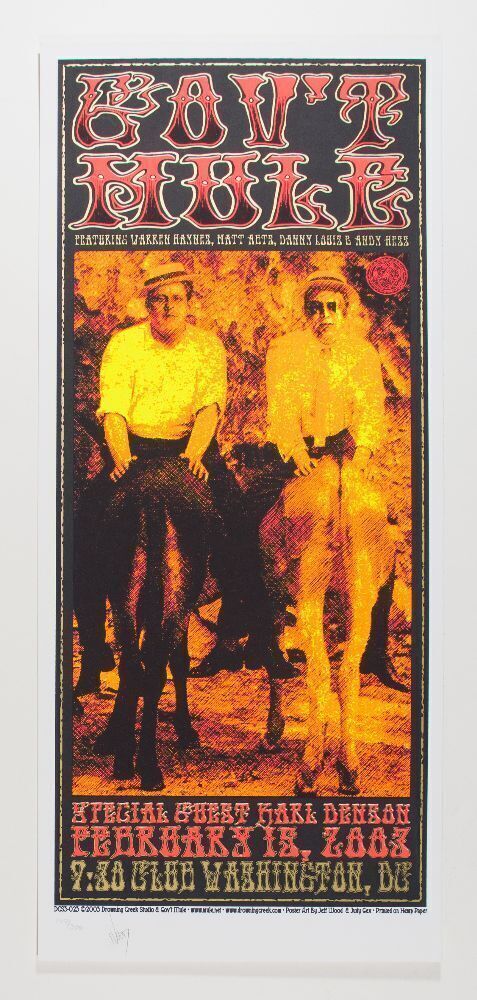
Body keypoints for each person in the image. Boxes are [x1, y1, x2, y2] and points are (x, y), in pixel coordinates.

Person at [74, 262, 297, 695]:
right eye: (159, 299)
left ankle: (257, 634)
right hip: (134, 449)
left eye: (177, 298)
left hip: (191, 447)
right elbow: (114, 408)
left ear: (189, 303)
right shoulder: (124, 344)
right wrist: (119, 457)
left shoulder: (206, 346)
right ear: (148, 304)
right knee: (85, 527)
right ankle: (95, 647)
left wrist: (195, 455)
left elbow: (209, 406)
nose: (168, 307)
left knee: (239, 526)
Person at [197, 272, 404, 691]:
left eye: (332, 308)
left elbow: (370, 410)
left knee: (377, 527)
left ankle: (375, 651)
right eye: (315, 308)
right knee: (245, 525)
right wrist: (295, 452)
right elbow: (281, 409)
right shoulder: (286, 350)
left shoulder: (362, 353)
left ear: (344, 311)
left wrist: (363, 453)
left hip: (346, 453)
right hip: (295, 454)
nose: (323, 316)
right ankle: (236, 639)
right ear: (305, 312)